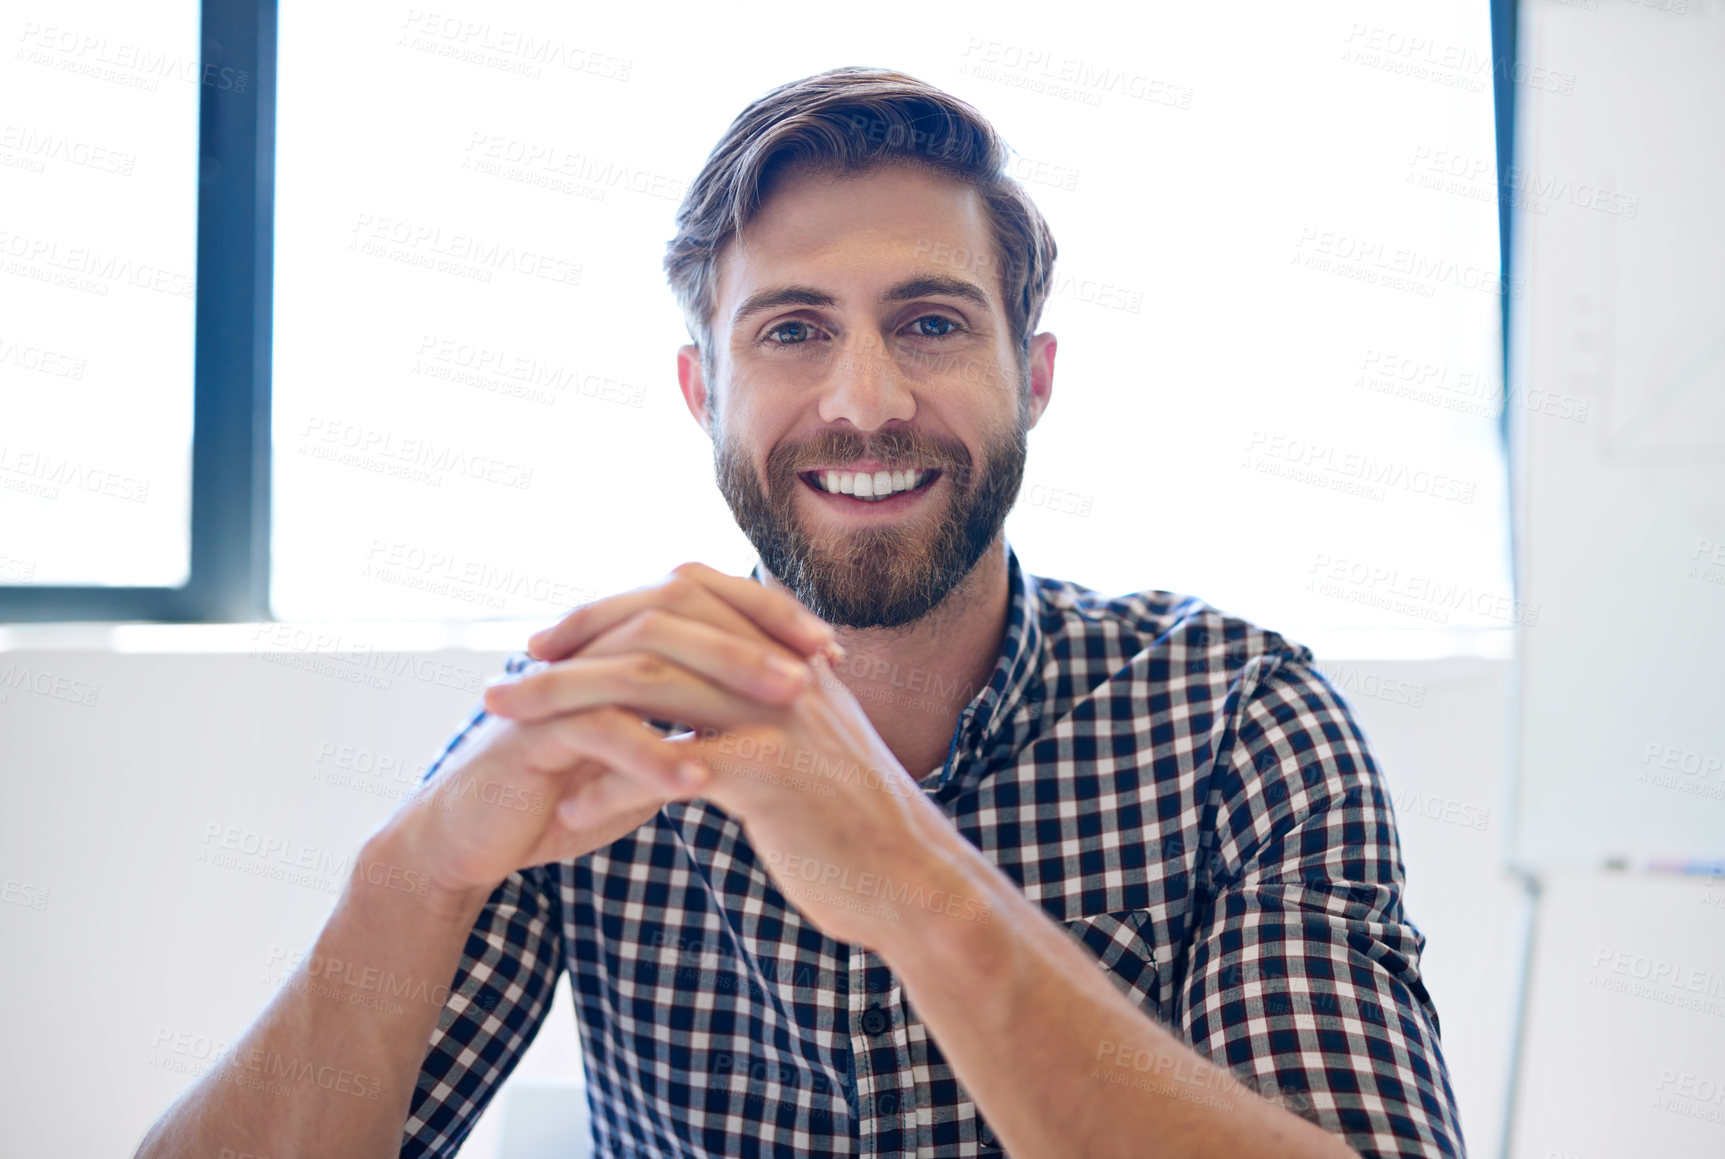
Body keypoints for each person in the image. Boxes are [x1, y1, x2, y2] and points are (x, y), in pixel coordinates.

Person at [136, 66, 1465, 1158]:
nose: (865, 402)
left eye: (932, 323)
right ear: (700, 390)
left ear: (1034, 376)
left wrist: (907, 878)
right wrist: (413, 874)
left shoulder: (1236, 714)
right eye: (789, 332)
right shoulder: (607, 720)